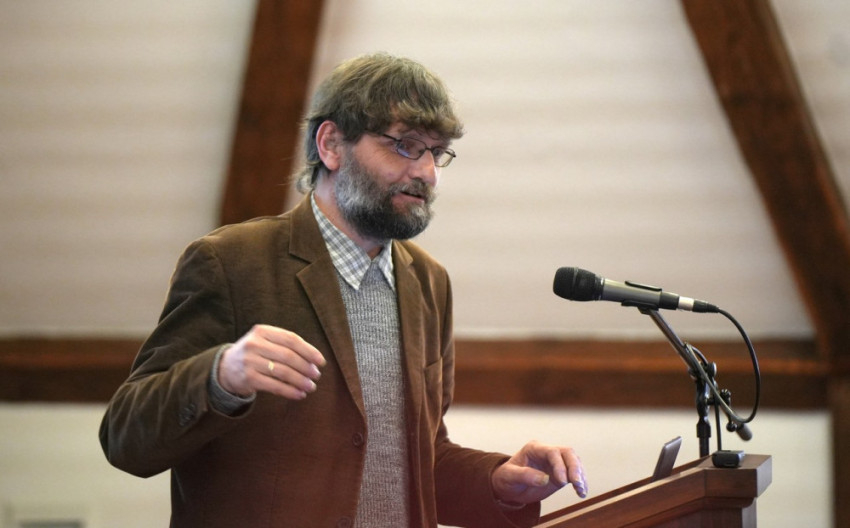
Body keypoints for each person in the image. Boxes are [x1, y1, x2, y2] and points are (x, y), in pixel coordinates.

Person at [99, 52, 587, 528]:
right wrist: (219, 376)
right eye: (406, 145)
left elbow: (416, 461)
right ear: (331, 144)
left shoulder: (429, 282)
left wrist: (498, 481)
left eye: (436, 152)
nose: (427, 172)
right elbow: (125, 440)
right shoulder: (230, 262)